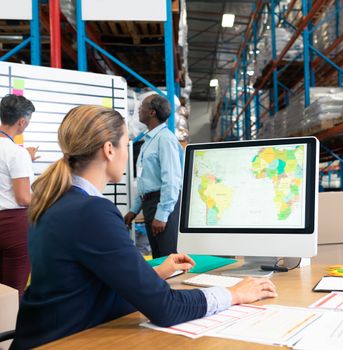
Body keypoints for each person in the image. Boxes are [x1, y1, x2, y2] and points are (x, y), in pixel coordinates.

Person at [12, 105, 276, 349]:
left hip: (43, 338)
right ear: (109, 149)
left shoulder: (54, 201)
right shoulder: (92, 212)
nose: (128, 154)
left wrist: (155, 274)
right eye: (127, 144)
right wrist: (234, 293)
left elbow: (83, 283)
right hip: (70, 341)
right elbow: (166, 309)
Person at [124, 94, 183, 258]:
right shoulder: (148, 141)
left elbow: (171, 181)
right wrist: (134, 210)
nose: (139, 109)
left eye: (142, 106)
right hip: (150, 204)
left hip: (163, 204)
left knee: (169, 258)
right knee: (158, 257)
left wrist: (162, 215)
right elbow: (146, 181)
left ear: (152, 112)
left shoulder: (165, 139)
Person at [0, 94, 37, 297]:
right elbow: (23, 198)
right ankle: (14, 329)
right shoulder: (17, 153)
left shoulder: (19, 154)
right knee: (14, 290)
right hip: (14, 226)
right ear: (22, 121)